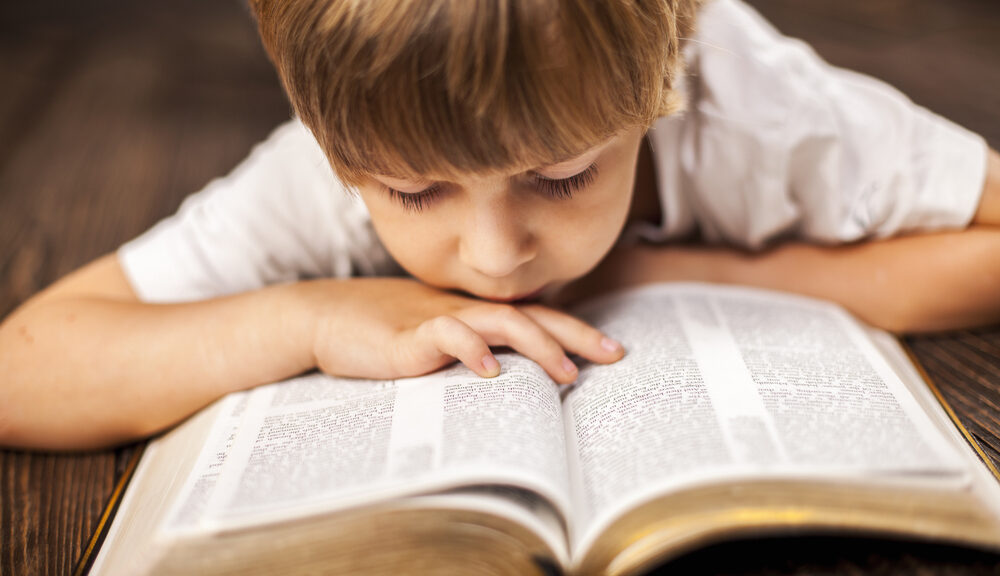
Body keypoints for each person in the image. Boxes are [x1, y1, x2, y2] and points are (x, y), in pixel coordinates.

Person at [1, 0, 998, 450]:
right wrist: (312, 316)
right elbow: (26, 369)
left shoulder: (759, 111)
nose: (492, 254)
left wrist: (664, 273)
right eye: (414, 193)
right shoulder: (321, 171)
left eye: (561, 177)